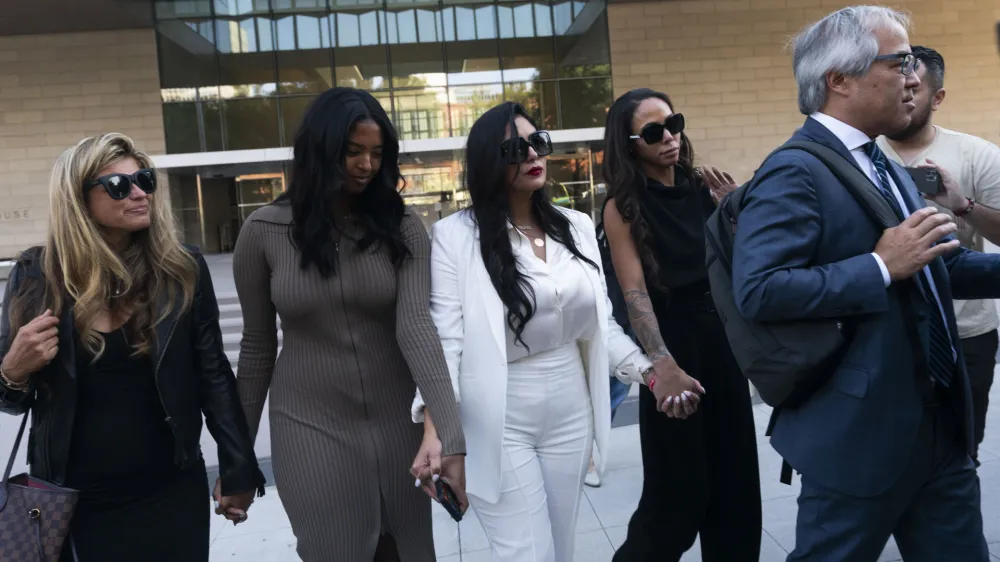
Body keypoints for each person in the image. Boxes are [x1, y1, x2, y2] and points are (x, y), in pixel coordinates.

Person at [732, 7, 1000, 560]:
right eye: (900, 60)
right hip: (860, 440)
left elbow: (936, 268)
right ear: (840, 79)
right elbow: (759, 289)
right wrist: (879, 266)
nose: (913, 75)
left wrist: (901, 261)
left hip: (939, 428)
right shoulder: (794, 170)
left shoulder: (880, 163)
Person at [412, 101, 697, 562]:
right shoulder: (456, 236)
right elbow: (447, 341)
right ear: (489, 162)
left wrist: (649, 373)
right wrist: (436, 429)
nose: (531, 154)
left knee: (560, 548)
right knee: (528, 553)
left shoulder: (577, 226)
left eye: (536, 142)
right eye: (514, 148)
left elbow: (600, 325)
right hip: (498, 414)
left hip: (570, 410)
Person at [0, 133, 265, 562]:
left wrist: (239, 467)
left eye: (143, 179)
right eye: (120, 186)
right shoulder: (36, 276)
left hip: (170, 490)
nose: (140, 192)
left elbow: (212, 374)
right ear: (78, 200)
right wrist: (13, 368)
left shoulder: (181, 268)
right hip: (73, 500)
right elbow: (11, 399)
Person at [232, 87, 467, 562]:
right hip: (308, 425)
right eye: (353, 152)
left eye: (377, 154)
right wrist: (237, 459)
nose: (366, 165)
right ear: (320, 152)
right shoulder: (263, 232)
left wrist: (450, 436)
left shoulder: (401, 228)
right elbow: (257, 347)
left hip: (397, 420)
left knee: (406, 553)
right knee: (332, 549)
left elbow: (418, 328)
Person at [601, 88, 762, 561]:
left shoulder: (701, 188)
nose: (669, 137)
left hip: (722, 347)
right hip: (675, 351)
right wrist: (661, 364)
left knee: (736, 495)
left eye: (674, 124)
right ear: (630, 144)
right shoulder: (623, 205)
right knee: (676, 499)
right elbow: (634, 293)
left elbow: (743, 268)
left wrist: (733, 209)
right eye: (653, 132)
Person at [877, 45, 1000, 461]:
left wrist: (962, 205)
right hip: (887, 331)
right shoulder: (861, 157)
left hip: (968, 333)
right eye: (898, 84)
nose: (905, 95)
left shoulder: (977, 154)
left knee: (962, 443)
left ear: (938, 97)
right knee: (899, 449)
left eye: (914, 86)